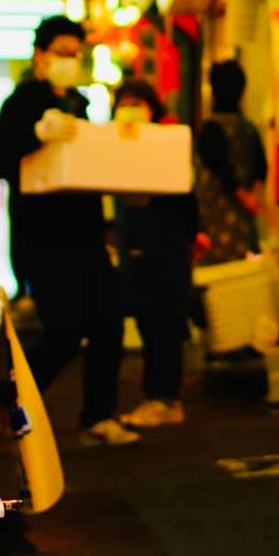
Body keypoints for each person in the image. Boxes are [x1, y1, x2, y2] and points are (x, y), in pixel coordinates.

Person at [0, 16, 139, 447]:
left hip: (87, 233)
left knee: (109, 320)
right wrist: (37, 134)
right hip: (43, 238)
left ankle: (97, 416)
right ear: (40, 55)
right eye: (61, 53)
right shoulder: (21, 102)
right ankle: (11, 394)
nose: (69, 62)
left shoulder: (81, 104)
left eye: (75, 54)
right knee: (64, 328)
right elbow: (1, 156)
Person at [110, 79, 197, 429]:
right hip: (138, 247)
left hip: (167, 246)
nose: (129, 110)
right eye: (124, 102)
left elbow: (185, 200)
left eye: (136, 102)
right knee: (150, 322)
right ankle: (157, 397)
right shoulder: (115, 146)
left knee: (164, 322)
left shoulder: (168, 142)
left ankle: (164, 398)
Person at [195, 59, 268, 264]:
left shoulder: (210, 128)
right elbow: (261, 168)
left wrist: (243, 196)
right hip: (244, 227)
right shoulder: (249, 128)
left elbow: (221, 170)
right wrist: (252, 197)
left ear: (214, 91)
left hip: (213, 223)